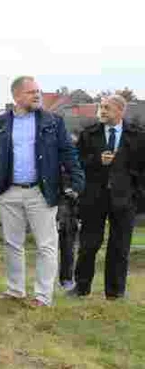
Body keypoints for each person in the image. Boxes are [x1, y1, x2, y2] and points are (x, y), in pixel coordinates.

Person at [0, 76, 83, 307]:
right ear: (16, 96)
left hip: (41, 192)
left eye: (38, 91)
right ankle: (15, 290)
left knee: (46, 245)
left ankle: (42, 296)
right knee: (12, 243)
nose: (37, 95)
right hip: (9, 192)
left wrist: (76, 181)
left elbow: (68, 153)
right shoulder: (0, 124)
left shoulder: (53, 122)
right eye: (31, 92)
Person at [72, 95, 144, 300]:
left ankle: (115, 292)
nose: (102, 111)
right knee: (88, 245)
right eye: (101, 107)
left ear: (121, 111)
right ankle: (81, 288)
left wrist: (136, 196)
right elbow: (77, 163)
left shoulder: (138, 136)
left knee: (120, 247)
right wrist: (97, 160)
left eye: (107, 108)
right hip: (94, 198)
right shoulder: (89, 135)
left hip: (125, 200)